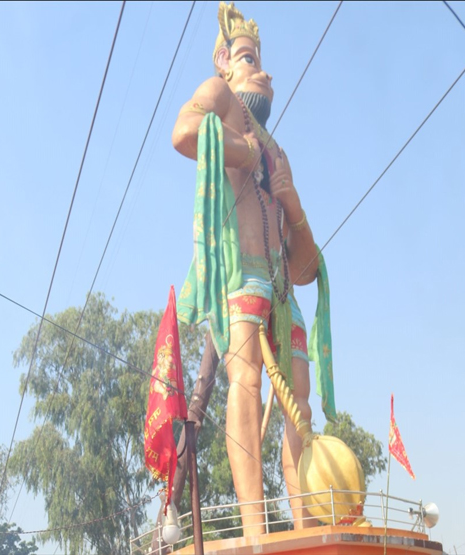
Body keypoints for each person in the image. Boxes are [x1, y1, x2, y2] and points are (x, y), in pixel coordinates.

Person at [172, 2, 328, 535]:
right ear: (223, 62)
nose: (264, 72)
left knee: (299, 405)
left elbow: (305, 268)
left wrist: (293, 206)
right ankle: (255, 527)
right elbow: (184, 131)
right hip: (243, 278)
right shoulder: (220, 98)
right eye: (248, 58)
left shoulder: (280, 152)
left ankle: (305, 522)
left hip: (284, 292)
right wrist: (242, 152)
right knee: (246, 381)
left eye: (259, 59)